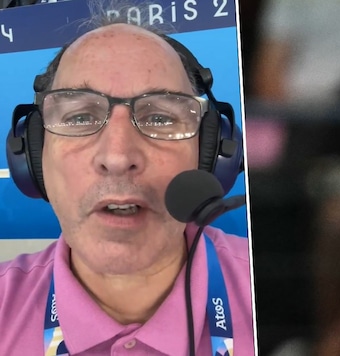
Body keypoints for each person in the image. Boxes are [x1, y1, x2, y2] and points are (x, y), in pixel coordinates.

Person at [0, 7, 255, 356]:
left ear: (213, 154)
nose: (118, 157)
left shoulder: (272, 291)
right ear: (31, 154)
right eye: (79, 117)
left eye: (161, 118)